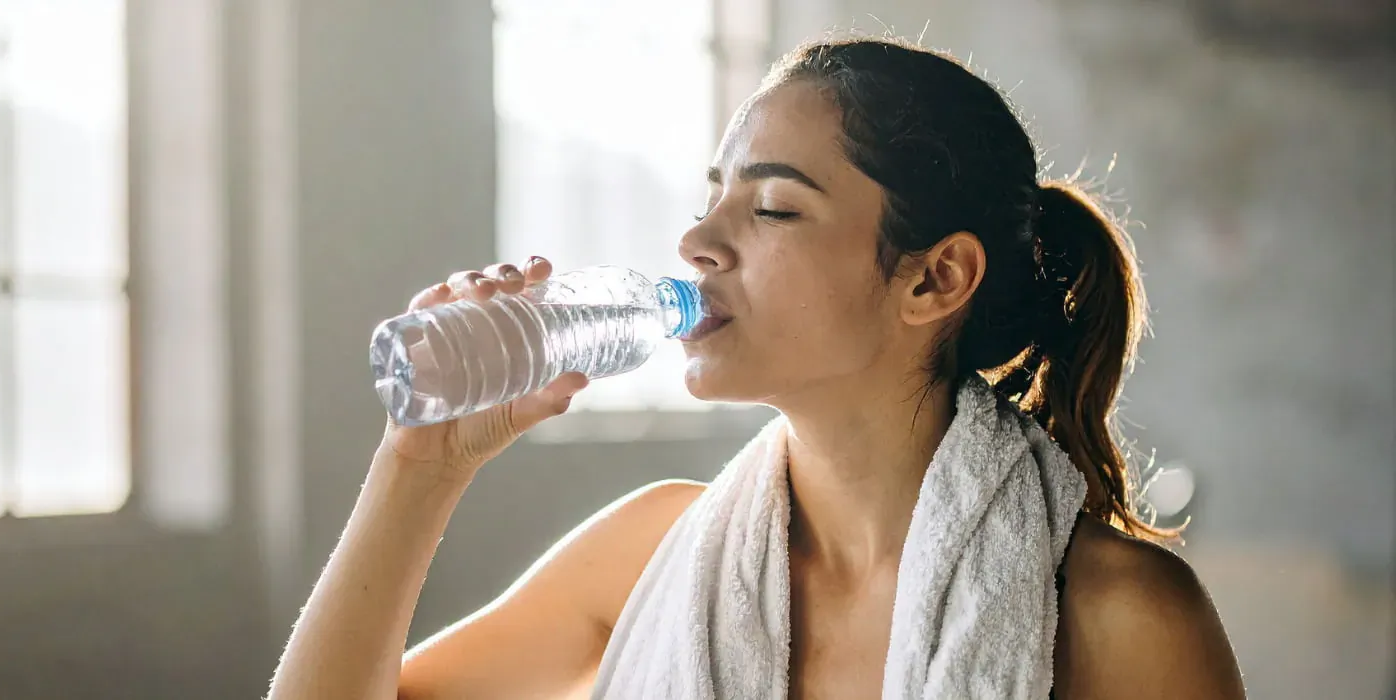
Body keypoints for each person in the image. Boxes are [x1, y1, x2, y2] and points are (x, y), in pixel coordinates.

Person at [267, 37, 1245, 699]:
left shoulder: (1124, 619)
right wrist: (419, 466)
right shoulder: (648, 553)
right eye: (711, 197)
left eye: (772, 207)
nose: (697, 238)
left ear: (935, 277)